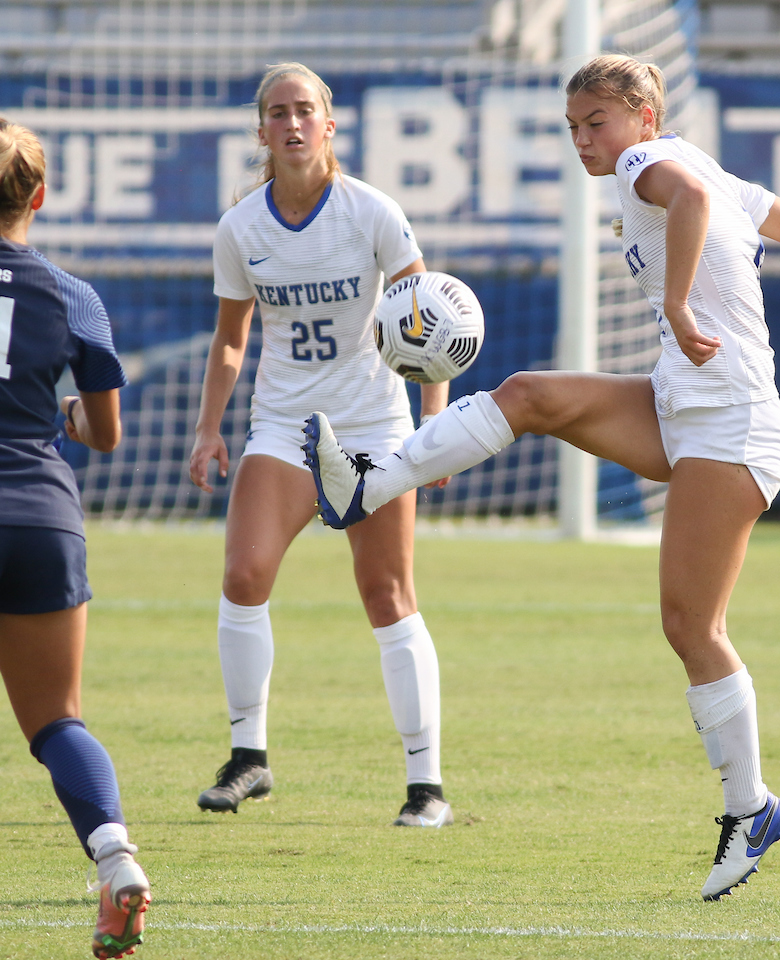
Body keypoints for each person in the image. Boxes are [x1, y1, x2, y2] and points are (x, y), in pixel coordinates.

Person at [302, 55, 780, 898]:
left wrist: (675, 304)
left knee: (690, 625)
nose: (584, 140)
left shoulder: (652, 165)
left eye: (597, 121)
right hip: (682, 406)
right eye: (573, 127)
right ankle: (367, 484)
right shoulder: (709, 169)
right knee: (530, 396)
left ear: (645, 117)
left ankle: (751, 808)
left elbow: (694, 202)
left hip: (728, 422)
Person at [188, 62, 453, 827]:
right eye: (278, 112)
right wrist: (209, 428)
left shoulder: (372, 212)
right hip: (284, 427)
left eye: (305, 109)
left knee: (388, 595)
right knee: (244, 575)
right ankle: (248, 757)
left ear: (329, 124)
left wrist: (434, 427)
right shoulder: (240, 227)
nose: (293, 122)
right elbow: (231, 339)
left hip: (373, 427)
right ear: (262, 130)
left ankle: (426, 787)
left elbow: (428, 318)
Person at [0, 117, 151, 957]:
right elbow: (105, 434)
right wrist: (57, 412)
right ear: (40, 197)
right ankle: (116, 858)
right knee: (57, 721)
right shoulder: (73, 296)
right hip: (40, 517)